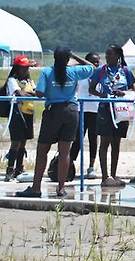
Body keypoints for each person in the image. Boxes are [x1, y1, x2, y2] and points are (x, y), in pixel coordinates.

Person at [16, 48, 94, 198]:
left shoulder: (47, 72)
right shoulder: (75, 71)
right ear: (67, 59)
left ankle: (36, 187)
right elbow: (92, 67)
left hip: (53, 111)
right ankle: (61, 188)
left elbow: (39, 92)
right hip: (71, 111)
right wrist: (75, 55)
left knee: (42, 150)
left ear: (54, 58)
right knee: (65, 152)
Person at [89, 44, 135, 187]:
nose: (107, 57)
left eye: (110, 54)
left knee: (116, 143)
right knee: (105, 142)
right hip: (105, 109)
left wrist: (123, 93)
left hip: (121, 110)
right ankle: (105, 177)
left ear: (117, 55)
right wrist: (103, 95)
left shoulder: (126, 71)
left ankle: (114, 175)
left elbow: (132, 89)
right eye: (106, 54)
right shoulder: (100, 71)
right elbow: (92, 89)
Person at [3, 55, 36, 181]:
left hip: (28, 113)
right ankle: (9, 170)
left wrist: (33, 93)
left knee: (23, 143)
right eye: (23, 68)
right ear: (17, 68)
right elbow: (19, 93)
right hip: (16, 113)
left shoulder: (29, 81)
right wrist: (33, 94)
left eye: (27, 67)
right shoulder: (12, 80)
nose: (25, 70)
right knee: (15, 142)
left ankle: (19, 169)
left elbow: (36, 91)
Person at [69, 52, 101, 180]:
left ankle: (91, 167)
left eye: (98, 62)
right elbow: (69, 65)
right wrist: (78, 60)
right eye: (93, 61)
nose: (96, 64)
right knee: (77, 139)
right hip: (81, 110)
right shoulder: (79, 73)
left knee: (93, 139)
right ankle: (69, 164)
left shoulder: (99, 74)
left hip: (95, 110)